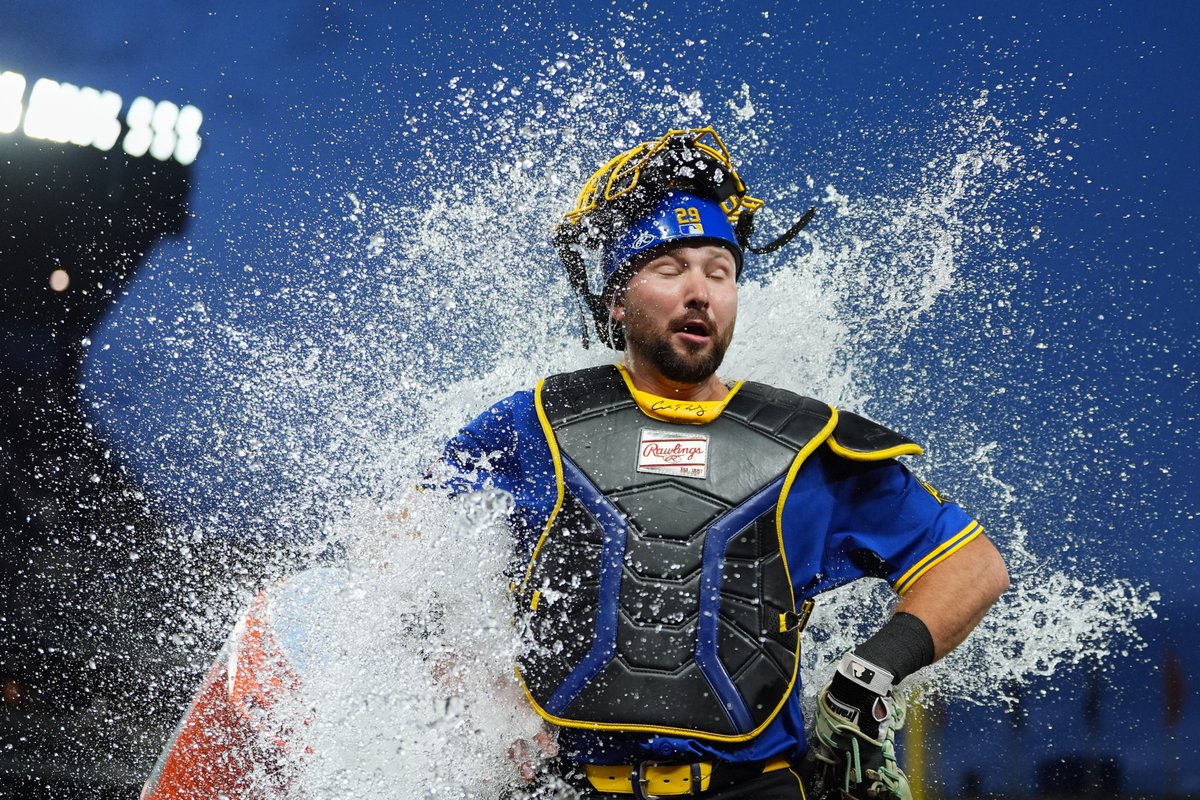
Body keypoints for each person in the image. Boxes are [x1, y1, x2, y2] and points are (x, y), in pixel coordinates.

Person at [434, 127, 1010, 800]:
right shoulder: (536, 424)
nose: (700, 291)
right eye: (671, 268)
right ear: (618, 299)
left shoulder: (804, 448)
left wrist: (869, 673)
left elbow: (971, 567)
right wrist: (472, 682)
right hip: (568, 787)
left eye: (720, 271)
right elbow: (408, 552)